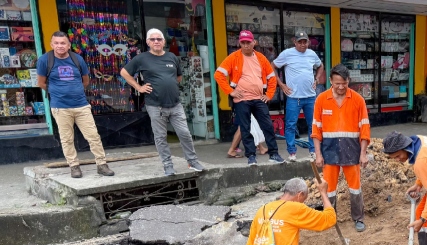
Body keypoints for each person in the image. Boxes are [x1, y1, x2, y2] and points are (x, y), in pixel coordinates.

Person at [121, 28, 204, 176]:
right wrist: (138, 87)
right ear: (148, 42)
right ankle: (167, 165)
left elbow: (178, 77)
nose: (156, 42)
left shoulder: (172, 57)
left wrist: (168, 85)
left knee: (184, 133)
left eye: (159, 39)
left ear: (164, 41)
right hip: (155, 105)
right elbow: (124, 72)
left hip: (175, 104)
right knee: (160, 137)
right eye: (153, 39)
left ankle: (192, 161)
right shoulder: (142, 58)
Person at [38, 31, 113, 179]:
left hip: (81, 105)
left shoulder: (77, 59)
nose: (60, 46)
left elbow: (85, 80)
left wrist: (75, 92)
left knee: (93, 136)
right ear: (52, 44)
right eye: (57, 43)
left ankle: (102, 164)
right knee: (66, 139)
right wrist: (57, 92)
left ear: (68, 45)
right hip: (60, 107)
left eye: (63, 43)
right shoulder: (44, 60)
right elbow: (41, 83)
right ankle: (74, 166)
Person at [311, 64, 370, 233]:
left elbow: (364, 128)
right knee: (329, 188)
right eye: (337, 83)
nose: (341, 87)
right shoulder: (321, 99)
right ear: (330, 81)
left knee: (355, 187)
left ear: (348, 81)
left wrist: (363, 153)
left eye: (344, 83)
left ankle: (358, 218)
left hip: (352, 150)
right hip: (329, 151)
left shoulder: (358, 100)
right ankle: (330, 218)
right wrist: (318, 154)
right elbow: (316, 129)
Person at [214, 30, 283, 166]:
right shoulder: (233, 57)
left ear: (254, 43)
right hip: (242, 99)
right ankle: (251, 156)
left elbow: (272, 78)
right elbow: (219, 74)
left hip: (259, 98)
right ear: (239, 43)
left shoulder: (261, 58)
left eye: (248, 42)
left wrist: (269, 95)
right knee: (245, 128)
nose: (245, 45)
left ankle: (274, 153)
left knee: (268, 126)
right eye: (243, 42)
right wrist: (230, 91)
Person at [273, 31, 323, 162]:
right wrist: (281, 85)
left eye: (304, 42)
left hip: (310, 97)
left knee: (312, 124)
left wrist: (317, 79)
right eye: (299, 42)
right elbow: (272, 66)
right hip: (294, 97)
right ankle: (292, 152)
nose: (302, 44)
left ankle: (313, 150)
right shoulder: (287, 54)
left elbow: (320, 66)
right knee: (290, 125)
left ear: (308, 42)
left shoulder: (312, 54)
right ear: (294, 42)